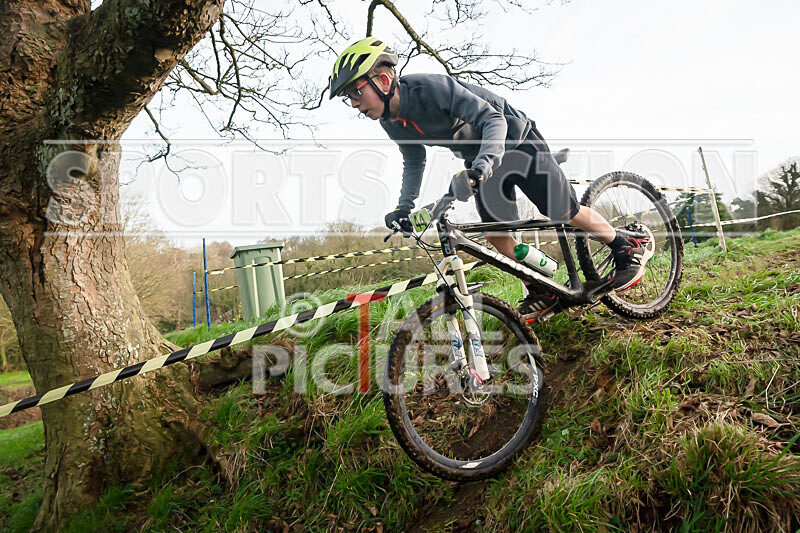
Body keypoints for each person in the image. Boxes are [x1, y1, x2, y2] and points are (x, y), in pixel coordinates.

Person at [328, 37, 651, 320]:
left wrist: (481, 165)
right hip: (481, 161)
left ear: (383, 80)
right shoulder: (391, 121)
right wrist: (404, 206)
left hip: (517, 140)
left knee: (561, 211)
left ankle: (627, 245)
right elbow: (414, 158)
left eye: (355, 93)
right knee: (498, 237)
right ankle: (541, 290)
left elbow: (492, 119)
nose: (354, 105)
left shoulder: (433, 88)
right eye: (348, 99)